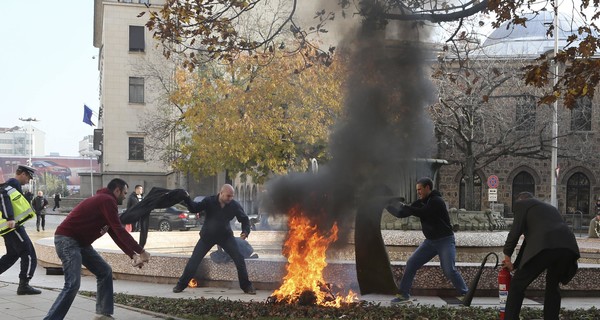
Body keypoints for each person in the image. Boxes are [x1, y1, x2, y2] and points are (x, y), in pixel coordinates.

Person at [44, 178, 151, 320]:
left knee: (104, 271)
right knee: (72, 284)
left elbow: (115, 233)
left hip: (81, 243)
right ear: (117, 190)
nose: (125, 197)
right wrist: (141, 251)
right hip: (67, 240)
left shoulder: (106, 202)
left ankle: (103, 315)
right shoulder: (107, 200)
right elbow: (119, 229)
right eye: (124, 193)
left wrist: (132, 255)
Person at [385, 177, 468, 304]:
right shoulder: (420, 202)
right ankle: (403, 295)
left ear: (427, 188)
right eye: (417, 190)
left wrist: (407, 206)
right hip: (430, 242)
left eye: (420, 189)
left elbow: (424, 213)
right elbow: (401, 213)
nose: (418, 192)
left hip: (445, 240)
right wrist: (387, 205)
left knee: (449, 269)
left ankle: (465, 294)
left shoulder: (437, 201)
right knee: (411, 263)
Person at [502, 192, 580, 320]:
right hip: (568, 247)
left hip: (546, 246)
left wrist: (507, 258)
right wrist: (515, 264)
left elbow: (515, 232)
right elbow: (530, 242)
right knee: (552, 286)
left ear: (520, 200)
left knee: (517, 285)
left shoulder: (522, 204)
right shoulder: (549, 208)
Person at [173, 184, 256, 294]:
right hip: (208, 236)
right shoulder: (209, 201)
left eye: (232, 196)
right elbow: (194, 208)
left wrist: (245, 232)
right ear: (221, 193)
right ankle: (181, 285)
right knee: (194, 260)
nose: (230, 199)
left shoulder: (234, 205)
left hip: (225, 236)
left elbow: (244, 219)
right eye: (228, 196)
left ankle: (246, 286)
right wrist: (187, 198)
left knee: (239, 259)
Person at [0, 165, 42, 295]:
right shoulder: (12, 184)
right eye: (29, 177)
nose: (29, 180)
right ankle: (24, 284)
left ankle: (24, 284)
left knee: (12, 254)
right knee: (28, 253)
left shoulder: (12, 185)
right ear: (23, 174)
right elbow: (3, 197)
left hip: (9, 227)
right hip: (13, 226)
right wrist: (10, 218)